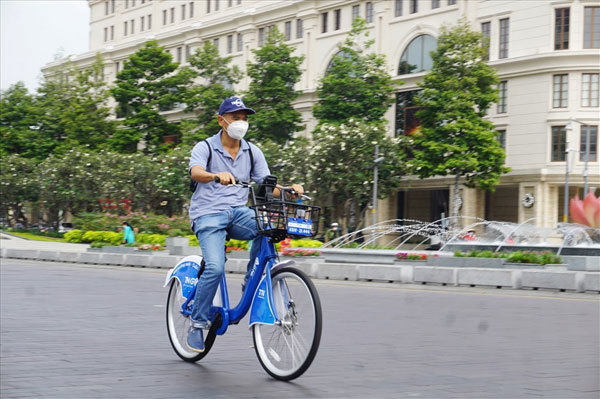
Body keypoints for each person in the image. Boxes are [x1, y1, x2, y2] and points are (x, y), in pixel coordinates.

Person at [186, 96, 303, 353]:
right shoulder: (205, 147)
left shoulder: (252, 151)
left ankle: (251, 275)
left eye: (245, 118)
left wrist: (289, 190)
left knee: (267, 228)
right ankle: (197, 322)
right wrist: (216, 175)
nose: (241, 122)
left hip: (238, 212)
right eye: (236, 117)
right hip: (208, 214)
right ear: (222, 120)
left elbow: (266, 186)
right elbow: (195, 172)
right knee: (215, 267)